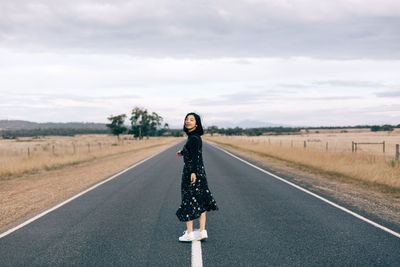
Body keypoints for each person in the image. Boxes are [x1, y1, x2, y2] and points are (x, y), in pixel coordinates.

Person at [176, 112, 218, 242]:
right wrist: (182, 152)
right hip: (200, 172)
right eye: (186, 119)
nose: (188, 121)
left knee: (188, 200)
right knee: (201, 199)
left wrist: (193, 172)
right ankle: (202, 231)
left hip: (191, 172)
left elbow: (194, 157)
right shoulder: (195, 137)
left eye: (191, 120)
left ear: (197, 123)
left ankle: (189, 234)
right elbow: (193, 151)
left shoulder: (193, 138)